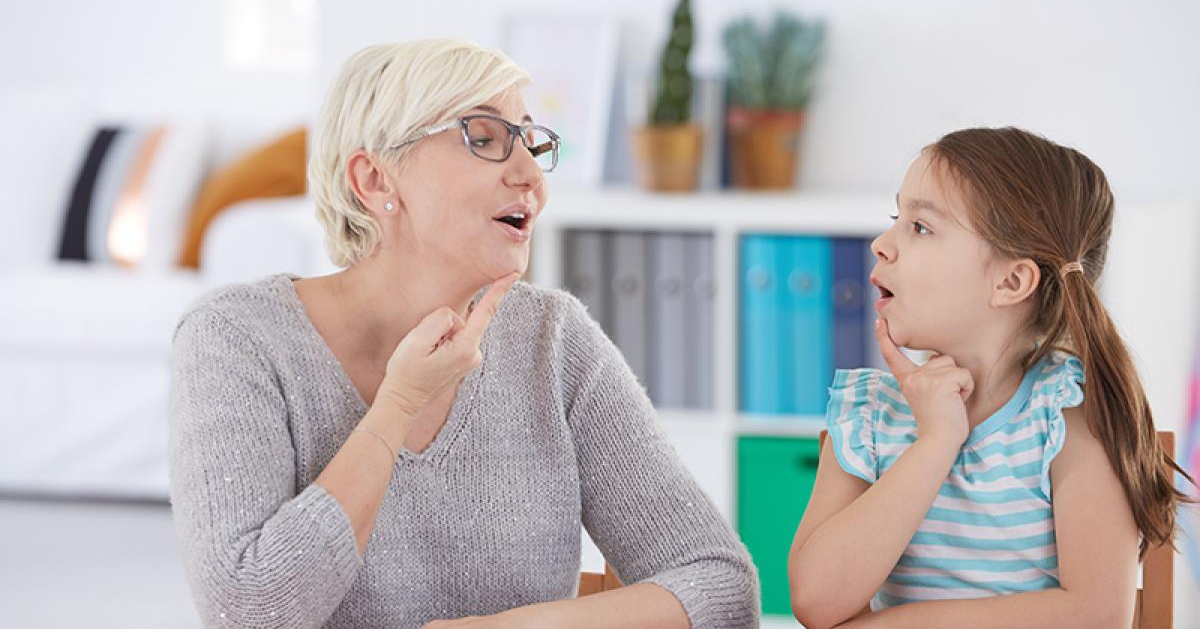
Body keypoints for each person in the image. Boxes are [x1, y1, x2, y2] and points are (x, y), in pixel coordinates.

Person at [168, 39, 758, 628]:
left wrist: (510, 628)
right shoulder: (236, 339)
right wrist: (397, 405)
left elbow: (721, 586)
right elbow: (249, 610)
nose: (531, 176)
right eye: (485, 138)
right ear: (374, 180)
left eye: (531, 141)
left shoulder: (551, 341)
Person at [788, 127, 1194, 628]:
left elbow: (1095, 613)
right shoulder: (870, 414)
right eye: (897, 219)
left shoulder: (1069, 413)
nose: (880, 244)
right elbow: (816, 600)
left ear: (1011, 281)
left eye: (919, 227)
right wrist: (935, 443)